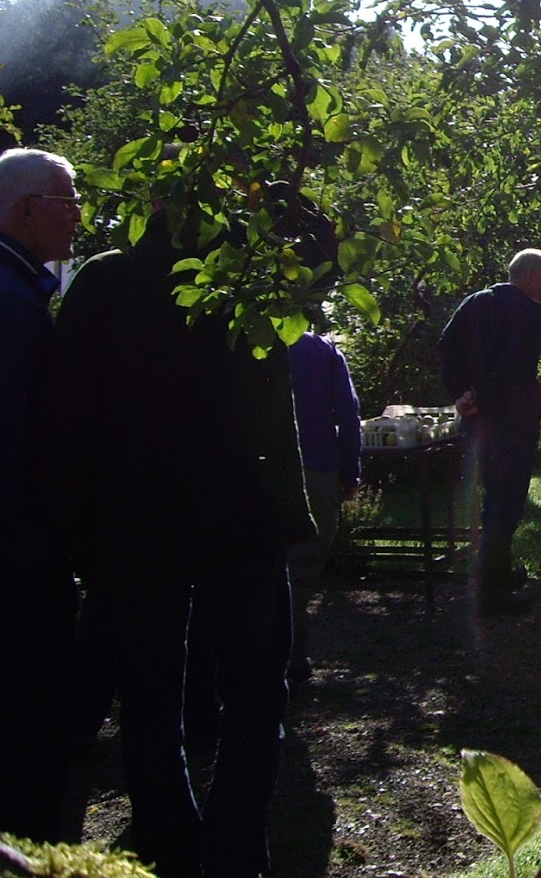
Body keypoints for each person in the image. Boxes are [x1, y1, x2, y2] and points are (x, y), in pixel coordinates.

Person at [39, 207, 313, 878]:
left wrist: (78, 532)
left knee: (149, 691)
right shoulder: (251, 277)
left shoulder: (107, 279)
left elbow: (66, 414)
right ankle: (235, 844)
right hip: (243, 519)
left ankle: (170, 839)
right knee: (254, 690)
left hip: (137, 523)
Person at [0, 147, 79, 842]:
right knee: (29, 723)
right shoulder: (11, 303)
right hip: (19, 559)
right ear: (26, 210)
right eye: (68, 201)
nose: (78, 216)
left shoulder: (22, 289)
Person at [437, 249, 541, 614]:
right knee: (505, 504)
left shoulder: (475, 302)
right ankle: (490, 594)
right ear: (531, 276)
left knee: (493, 497)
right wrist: (483, 397)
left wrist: (462, 394)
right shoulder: (526, 313)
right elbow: (513, 367)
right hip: (511, 422)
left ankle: (500, 574)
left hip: (477, 420)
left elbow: (446, 347)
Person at [286, 331, 362, 682]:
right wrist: (350, 472)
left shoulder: (247, 337)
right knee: (301, 567)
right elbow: (347, 414)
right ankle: (290, 655)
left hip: (257, 468)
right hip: (316, 467)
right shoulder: (321, 350)